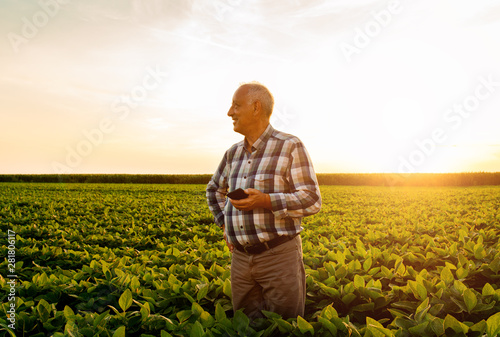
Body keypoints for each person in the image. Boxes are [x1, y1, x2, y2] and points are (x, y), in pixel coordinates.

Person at [206, 82, 322, 320]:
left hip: (279, 257)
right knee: (245, 327)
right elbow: (214, 190)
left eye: (236, 106)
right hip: (239, 260)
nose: (230, 112)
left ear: (256, 107)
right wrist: (225, 226)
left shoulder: (290, 146)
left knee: (284, 327)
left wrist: (267, 201)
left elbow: (311, 199)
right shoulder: (232, 153)